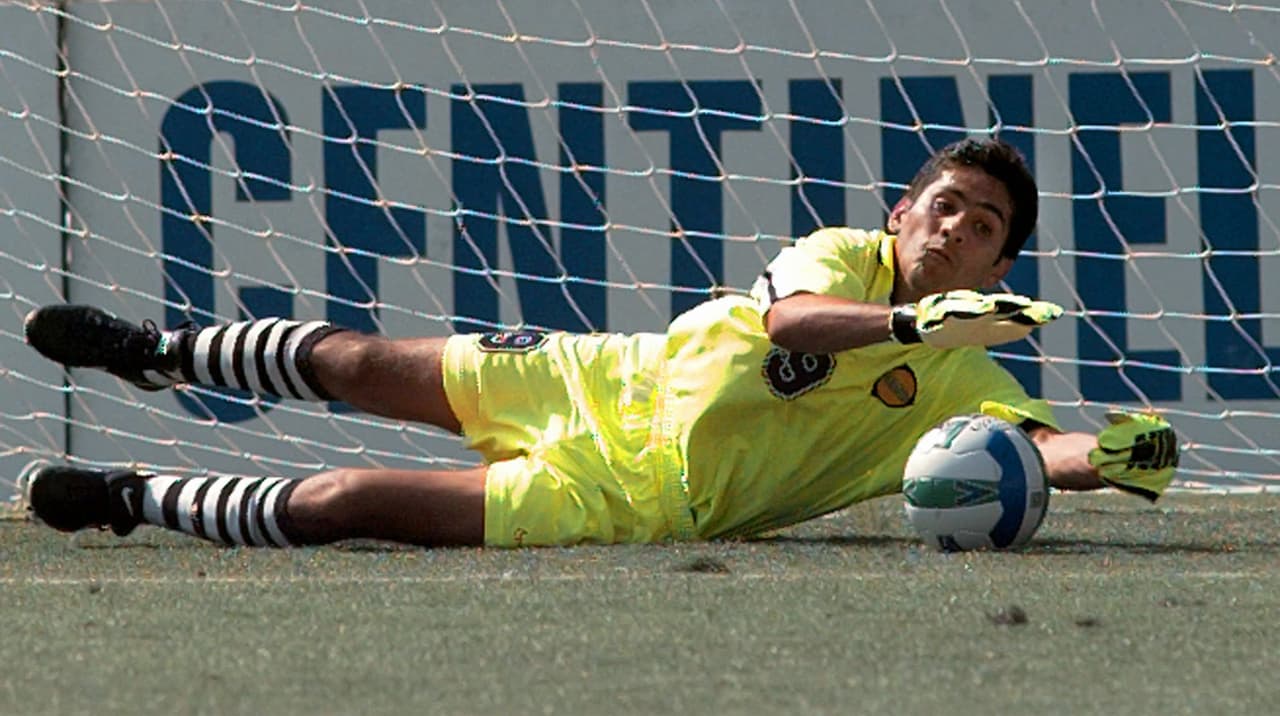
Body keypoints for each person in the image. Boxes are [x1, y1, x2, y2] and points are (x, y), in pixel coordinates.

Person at [22, 137, 1179, 549]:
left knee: (342, 500)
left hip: (628, 496)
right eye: (944, 203)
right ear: (900, 214)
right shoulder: (841, 256)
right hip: (599, 373)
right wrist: (908, 319)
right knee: (355, 362)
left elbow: (1039, 448)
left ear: (998, 268)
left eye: (983, 226)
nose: (955, 226)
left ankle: (130, 496)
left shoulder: (962, 370)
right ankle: (156, 347)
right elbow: (788, 324)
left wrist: (1123, 452)